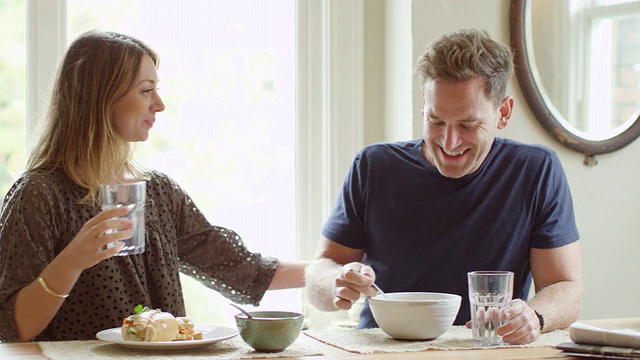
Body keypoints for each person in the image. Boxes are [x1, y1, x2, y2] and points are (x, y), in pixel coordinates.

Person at [0, 30, 306, 342]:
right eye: (146, 91)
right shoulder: (39, 195)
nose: (159, 105)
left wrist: (329, 275)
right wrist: (71, 261)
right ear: (101, 97)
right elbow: (14, 327)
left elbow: (243, 270)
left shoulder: (158, 191)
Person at [304, 29, 581, 345]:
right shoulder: (374, 165)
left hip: (486, 347)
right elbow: (321, 270)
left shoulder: (535, 169)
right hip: (382, 349)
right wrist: (335, 282)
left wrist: (535, 316)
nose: (449, 143)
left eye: (468, 125)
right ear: (424, 105)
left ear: (502, 113)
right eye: (436, 121)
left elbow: (565, 286)